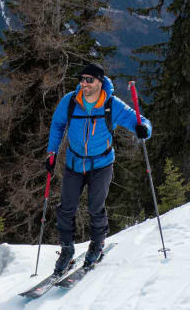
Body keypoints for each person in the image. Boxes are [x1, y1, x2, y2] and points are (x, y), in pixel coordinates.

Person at [46, 62, 151, 272]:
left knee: (96, 207)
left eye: (89, 79)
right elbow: (57, 125)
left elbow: (140, 121)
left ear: (99, 82)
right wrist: (52, 152)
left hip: (101, 164)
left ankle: (97, 243)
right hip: (74, 163)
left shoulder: (112, 105)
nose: (84, 83)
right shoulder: (70, 102)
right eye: (82, 79)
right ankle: (67, 249)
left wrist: (143, 129)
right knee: (65, 208)